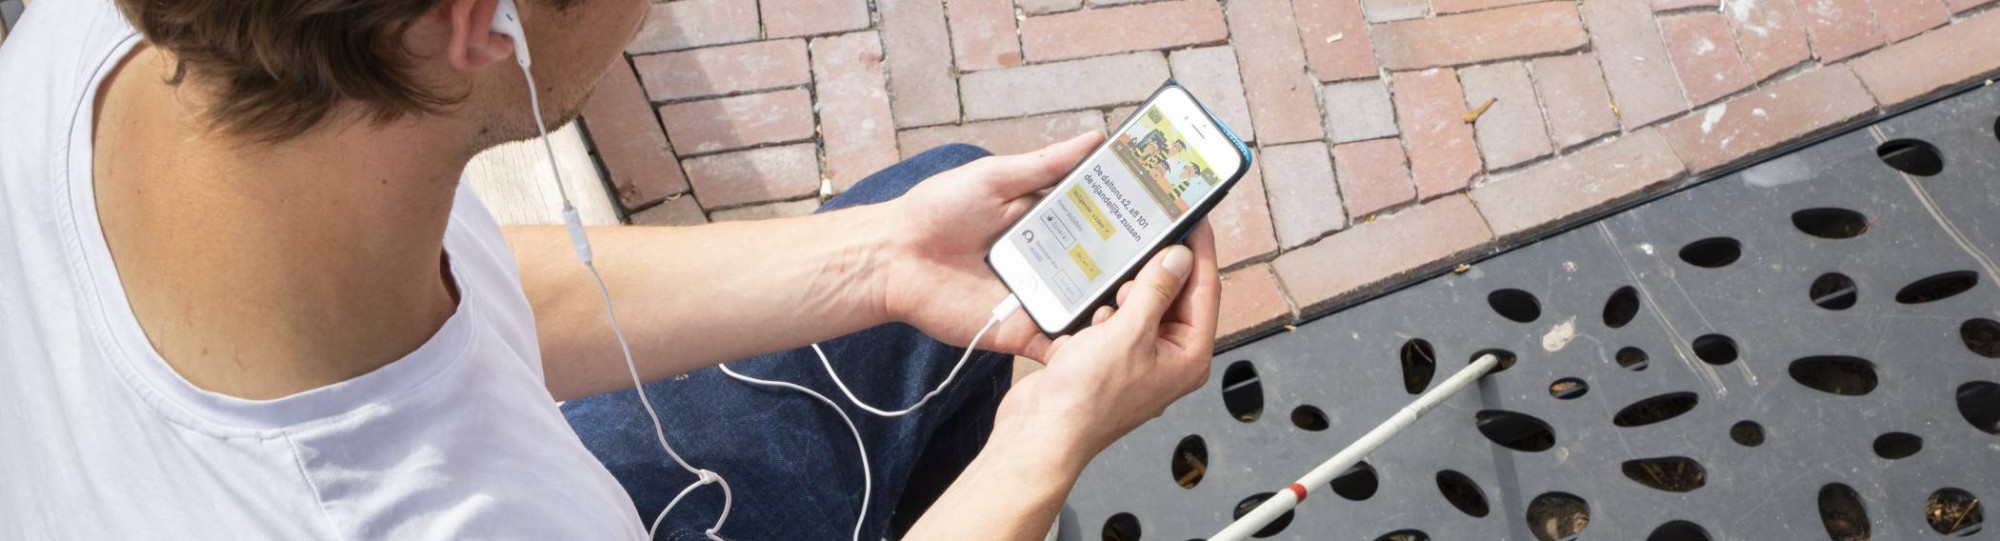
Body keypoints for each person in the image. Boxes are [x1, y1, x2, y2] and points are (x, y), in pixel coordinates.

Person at [0, 0, 1220, 539]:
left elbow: (467, 305)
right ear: (484, 25)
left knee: (925, 219)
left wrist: (878, 259)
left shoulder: (109, 32)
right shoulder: (439, 519)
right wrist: (1039, 449)